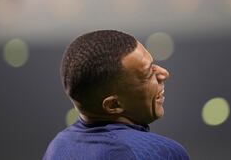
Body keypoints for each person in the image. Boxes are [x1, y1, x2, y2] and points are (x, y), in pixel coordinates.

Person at [43, 30, 190, 160]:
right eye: (148, 73)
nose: (164, 73)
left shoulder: (56, 147)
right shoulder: (161, 153)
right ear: (114, 105)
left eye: (153, 64)